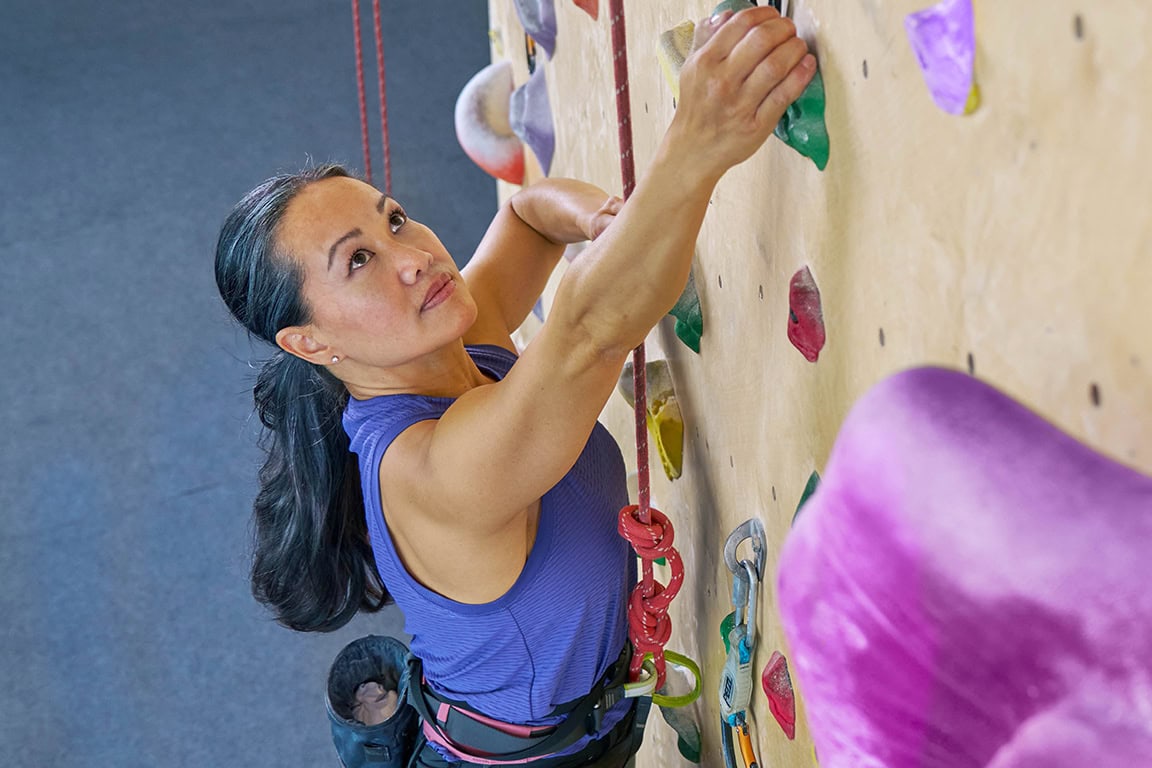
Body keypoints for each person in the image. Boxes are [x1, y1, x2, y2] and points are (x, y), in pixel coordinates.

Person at [214, 6, 815, 766]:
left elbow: (528, 219)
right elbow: (590, 330)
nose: (415, 258)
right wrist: (694, 143)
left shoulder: (453, 339)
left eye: (394, 220)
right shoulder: (431, 474)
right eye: (358, 262)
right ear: (310, 343)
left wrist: (604, 221)